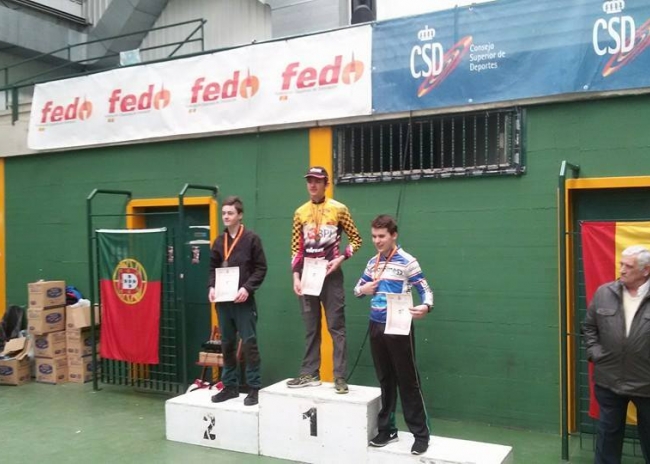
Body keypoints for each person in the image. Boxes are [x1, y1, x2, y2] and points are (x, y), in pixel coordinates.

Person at [354, 214, 433, 456]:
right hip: (376, 326)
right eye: (374, 236)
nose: (377, 241)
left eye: (382, 236)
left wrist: (426, 306)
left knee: (408, 381)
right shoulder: (372, 262)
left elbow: (425, 289)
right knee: (385, 380)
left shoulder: (408, 262)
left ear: (393, 235)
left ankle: (421, 435)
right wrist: (364, 289)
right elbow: (357, 289)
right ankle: (388, 430)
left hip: (399, 326)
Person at [286, 166, 363, 394]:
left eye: (317, 181)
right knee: (311, 327)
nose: (312, 184)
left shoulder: (339, 209)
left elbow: (356, 240)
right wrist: (295, 276)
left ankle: (339, 377)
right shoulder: (300, 212)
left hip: (331, 275)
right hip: (307, 276)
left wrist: (341, 258)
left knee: (336, 327)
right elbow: (296, 248)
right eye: (309, 180)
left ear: (326, 184)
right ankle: (310, 373)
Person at [582, 245, 650, 464]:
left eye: (628, 266)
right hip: (609, 380)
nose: (622, 270)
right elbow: (589, 327)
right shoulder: (604, 293)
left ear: (646, 270)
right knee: (607, 437)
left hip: (646, 383)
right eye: (621, 264)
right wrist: (595, 353)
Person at [208, 196, 268, 406]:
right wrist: (211, 287)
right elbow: (212, 268)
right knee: (227, 343)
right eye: (224, 213)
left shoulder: (252, 239)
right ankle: (230, 386)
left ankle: (254, 388)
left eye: (230, 213)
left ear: (240, 215)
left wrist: (247, 288)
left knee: (249, 343)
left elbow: (261, 268)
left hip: (243, 302)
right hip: (223, 302)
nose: (226, 216)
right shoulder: (219, 241)